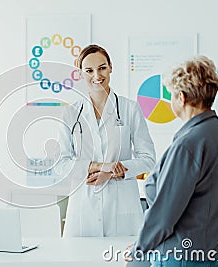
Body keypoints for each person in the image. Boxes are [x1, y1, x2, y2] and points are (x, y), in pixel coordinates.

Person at [127, 56, 218, 266]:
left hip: (182, 257)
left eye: (171, 95)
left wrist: (139, 249)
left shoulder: (188, 144)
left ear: (181, 98)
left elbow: (163, 215)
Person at [57, 44, 156, 237]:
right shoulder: (71, 113)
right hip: (83, 207)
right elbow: (61, 164)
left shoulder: (130, 109)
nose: (97, 75)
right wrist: (101, 166)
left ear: (111, 67)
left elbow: (148, 158)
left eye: (102, 68)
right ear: (80, 73)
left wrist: (113, 172)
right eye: (89, 70)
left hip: (122, 208)